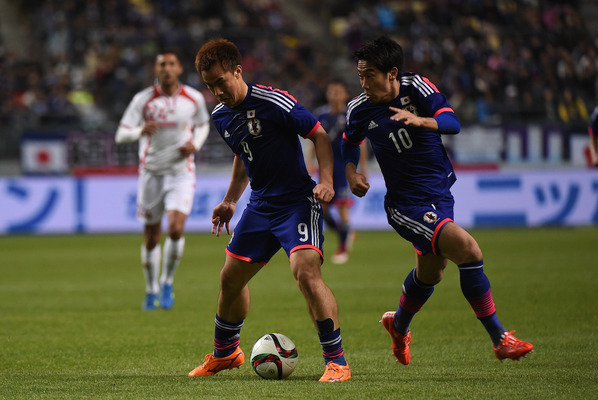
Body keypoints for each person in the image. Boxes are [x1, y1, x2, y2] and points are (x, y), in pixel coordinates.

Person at [342, 36, 534, 365]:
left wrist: (422, 120)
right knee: (469, 250)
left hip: (440, 194)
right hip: (405, 205)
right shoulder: (359, 109)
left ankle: (398, 325)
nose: (364, 83)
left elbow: (452, 122)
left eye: (369, 74)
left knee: (431, 273)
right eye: (360, 76)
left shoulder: (416, 88)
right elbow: (348, 142)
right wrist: (351, 172)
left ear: (392, 73)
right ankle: (500, 338)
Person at [188, 38, 351, 382]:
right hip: (260, 205)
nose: (216, 91)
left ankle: (337, 361)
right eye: (209, 86)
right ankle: (226, 353)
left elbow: (319, 135)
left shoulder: (273, 100)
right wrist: (231, 200)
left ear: (237, 70)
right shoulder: (221, 117)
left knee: (305, 271)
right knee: (230, 278)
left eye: (220, 82)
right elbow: (244, 155)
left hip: (296, 201)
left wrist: (326, 182)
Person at [115, 51, 210, 310]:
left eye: (171, 64)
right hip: (151, 174)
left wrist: (196, 144)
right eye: (161, 65)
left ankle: (167, 282)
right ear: (156, 69)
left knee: (176, 229)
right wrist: (139, 131)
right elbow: (121, 135)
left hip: (181, 173)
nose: (167, 68)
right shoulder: (143, 100)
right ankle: (151, 289)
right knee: (151, 237)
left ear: (179, 68)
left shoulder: (193, 98)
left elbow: (203, 124)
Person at [310, 79, 368, 264]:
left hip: (344, 166)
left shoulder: (351, 114)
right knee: (322, 210)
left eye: (338, 91)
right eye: (331, 91)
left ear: (345, 94)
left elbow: (361, 143)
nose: (334, 95)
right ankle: (346, 233)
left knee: (342, 207)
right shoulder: (321, 114)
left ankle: (342, 250)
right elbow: (315, 138)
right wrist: (309, 160)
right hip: (325, 168)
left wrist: (362, 168)